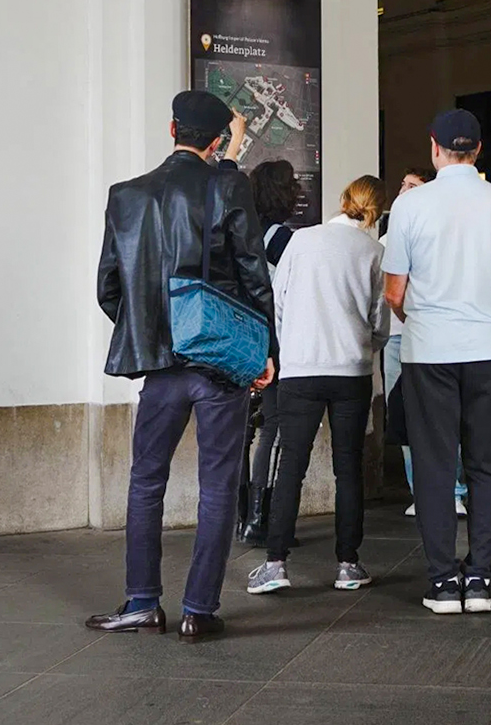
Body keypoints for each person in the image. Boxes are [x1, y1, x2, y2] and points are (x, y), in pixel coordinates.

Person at [88, 89, 276, 642]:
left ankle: (142, 603)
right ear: (216, 141)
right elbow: (253, 274)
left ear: (173, 130)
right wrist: (265, 350)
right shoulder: (228, 185)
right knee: (218, 486)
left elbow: (107, 288)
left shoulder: (126, 196)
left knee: (146, 480)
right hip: (220, 363)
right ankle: (199, 610)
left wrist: (151, 328)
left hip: (161, 369)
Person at [384, 109, 491, 615]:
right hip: (490, 349)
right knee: (488, 465)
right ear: (480, 150)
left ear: (434, 147)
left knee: (435, 465)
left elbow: (394, 290)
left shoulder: (410, 206)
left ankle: (444, 581)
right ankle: (482, 580)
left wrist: (422, 313)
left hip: (430, 351)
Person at [247, 176, 390, 595]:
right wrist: (366, 346)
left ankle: (275, 563)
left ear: (343, 201)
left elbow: (279, 302)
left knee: (292, 461)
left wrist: (291, 346)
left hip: (301, 369)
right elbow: (379, 320)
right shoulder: (374, 252)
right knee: (348, 467)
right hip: (352, 371)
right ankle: (348, 564)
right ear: (376, 212)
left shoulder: (302, 241)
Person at [382, 168, 469, 518]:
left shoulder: (440, 236)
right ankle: (422, 492)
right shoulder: (386, 237)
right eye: (402, 183)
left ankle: (455, 490)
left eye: (414, 185)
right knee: (404, 417)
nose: (404, 189)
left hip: (433, 337)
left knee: (445, 415)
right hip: (396, 339)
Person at [239, 159, 303, 545]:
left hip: (242, 340)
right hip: (273, 341)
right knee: (273, 427)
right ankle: (260, 519)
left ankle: (241, 516)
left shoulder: (244, 232)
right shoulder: (281, 238)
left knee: (244, 433)